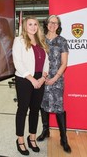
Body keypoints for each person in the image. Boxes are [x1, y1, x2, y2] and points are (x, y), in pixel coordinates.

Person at [12, 16, 49, 155]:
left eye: (35, 24)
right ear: (25, 26)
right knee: (22, 109)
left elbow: (47, 61)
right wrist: (32, 79)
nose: (33, 27)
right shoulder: (19, 41)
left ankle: (32, 137)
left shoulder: (41, 41)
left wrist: (43, 77)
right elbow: (18, 62)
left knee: (35, 110)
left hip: (40, 78)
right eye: (30, 24)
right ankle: (20, 140)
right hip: (24, 79)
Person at [37, 15, 71, 153]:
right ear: (46, 23)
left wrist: (55, 77)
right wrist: (42, 77)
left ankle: (64, 139)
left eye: (55, 23)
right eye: (50, 22)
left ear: (58, 25)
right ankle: (46, 131)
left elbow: (64, 63)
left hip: (56, 80)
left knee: (58, 108)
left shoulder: (62, 41)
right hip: (42, 79)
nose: (53, 25)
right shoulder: (40, 40)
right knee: (43, 105)